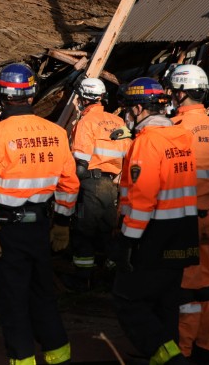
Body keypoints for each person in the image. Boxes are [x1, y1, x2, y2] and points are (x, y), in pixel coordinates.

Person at [0, 63, 78, 365]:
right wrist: (63, 223)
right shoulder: (56, 132)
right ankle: (59, 357)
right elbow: (69, 183)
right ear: (32, 93)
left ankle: (23, 359)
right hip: (41, 227)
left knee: (12, 300)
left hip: (5, 230)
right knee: (43, 294)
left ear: (1, 94)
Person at [113, 77, 199, 365]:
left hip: (153, 234)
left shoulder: (147, 143)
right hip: (184, 231)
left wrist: (127, 241)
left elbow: (142, 198)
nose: (126, 115)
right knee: (166, 304)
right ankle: (170, 353)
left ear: (138, 109)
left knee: (128, 300)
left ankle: (171, 359)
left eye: (127, 109)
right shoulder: (182, 138)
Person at [62, 77, 131, 291]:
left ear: (83, 99)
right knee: (108, 231)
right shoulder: (118, 122)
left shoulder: (85, 122)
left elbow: (81, 165)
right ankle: (111, 276)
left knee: (84, 233)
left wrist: (67, 188)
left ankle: (83, 279)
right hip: (113, 185)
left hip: (91, 183)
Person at [166, 65, 209, 362]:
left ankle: (182, 350)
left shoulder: (172, 132)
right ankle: (208, 346)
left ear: (180, 92)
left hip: (184, 223)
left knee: (185, 291)